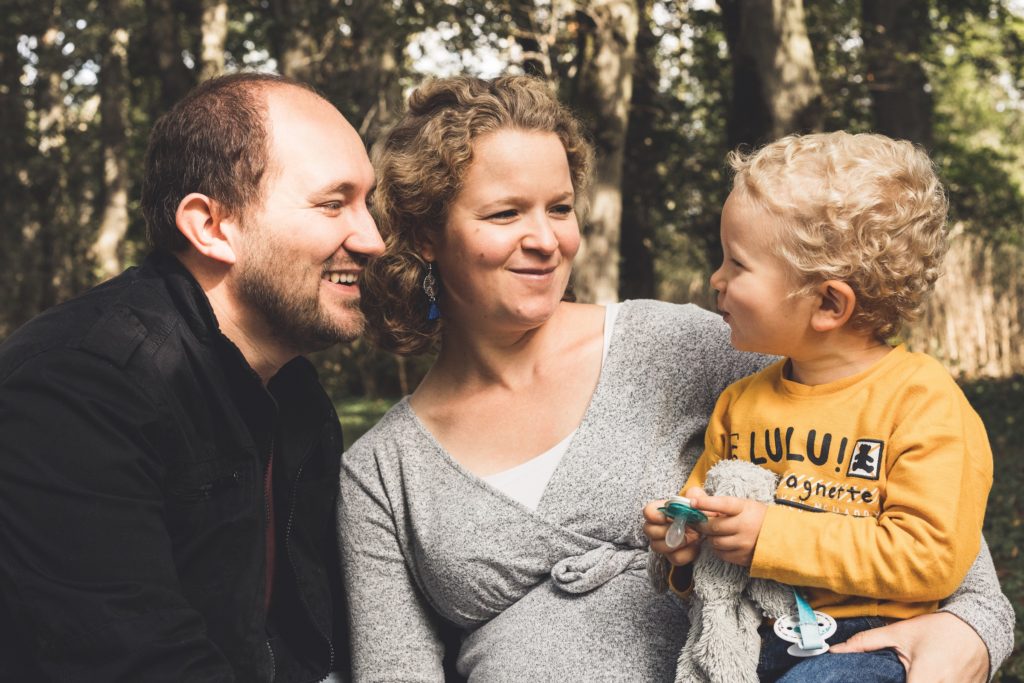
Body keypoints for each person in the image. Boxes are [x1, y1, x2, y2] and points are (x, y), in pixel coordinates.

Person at [338, 75, 1014, 682]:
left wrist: (971, 635)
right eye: (506, 213)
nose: (548, 239)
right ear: (427, 232)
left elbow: (950, 561)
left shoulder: (688, 345)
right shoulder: (382, 474)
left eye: (561, 207)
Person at [0, 72, 384, 681]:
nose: (373, 239)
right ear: (211, 226)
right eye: (334, 203)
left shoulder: (296, 396)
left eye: (368, 205)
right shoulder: (75, 387)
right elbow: (134, 661)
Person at [643, 132, 994, 683]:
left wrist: (771, 538)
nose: (716, 280)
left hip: (870, 645)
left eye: (737, 263)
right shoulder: (741, 404)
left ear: (829, 303)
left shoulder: (922, 402)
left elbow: (931, 559)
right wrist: (683, 545)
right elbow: (710, 542)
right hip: (755, 637)